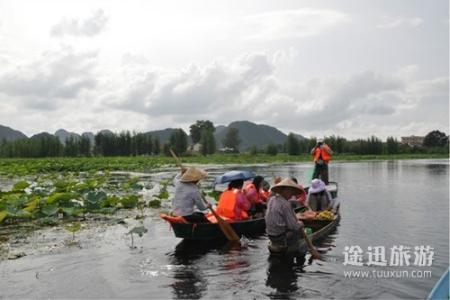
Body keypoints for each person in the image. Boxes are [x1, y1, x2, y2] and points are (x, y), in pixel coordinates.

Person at [265, 178, 305, 255]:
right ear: (283, 190)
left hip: (271, 235)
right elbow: (293, 226)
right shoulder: (285, 204)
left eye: (292, 191)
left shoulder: (272, 199)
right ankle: (296, 251)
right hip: (280, 237)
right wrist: (300, 224)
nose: (292, 194)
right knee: (298, 229)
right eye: (289, 191)